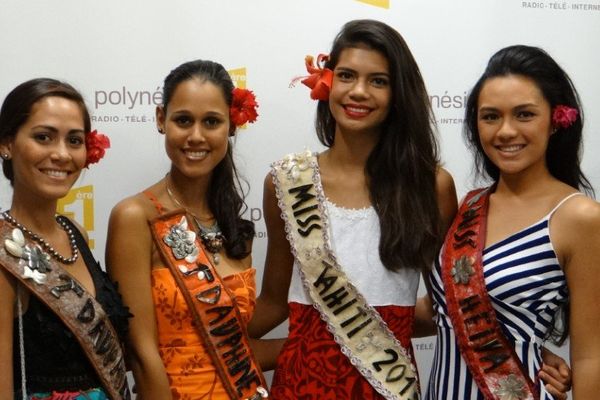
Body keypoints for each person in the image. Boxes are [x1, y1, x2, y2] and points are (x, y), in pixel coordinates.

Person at [249, 21, 574, 399]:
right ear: (327, 81)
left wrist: (526, 351)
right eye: (347, 75)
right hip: (301, 386)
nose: (358, 91)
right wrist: (211, 342)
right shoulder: (286, 181)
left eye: (379, 81)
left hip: (389, 386)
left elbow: (453, 298)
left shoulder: (430, 187)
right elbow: (273, 301)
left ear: (398, 93)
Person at [425, 45, 600, 399]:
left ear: (556, 120)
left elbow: (590, 355)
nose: (505, 131)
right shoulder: (470, 205)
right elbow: (444, 311)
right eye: (491, 116)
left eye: (524, 114)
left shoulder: (579, 217)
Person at [106, 59, 275, 400]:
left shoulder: (236, 228)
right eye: (183, 120)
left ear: (230, 126)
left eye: (211, 121)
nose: (196, 136)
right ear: (160, 119)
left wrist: (317, 344)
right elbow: (141, 353)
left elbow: (234, 342)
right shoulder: (135, 217)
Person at [0, 78, 130, 400]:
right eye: (43, 137)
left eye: (74, 140)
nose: (61, 154)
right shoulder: (3, 253)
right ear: (7, 143)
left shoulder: (75, 233)